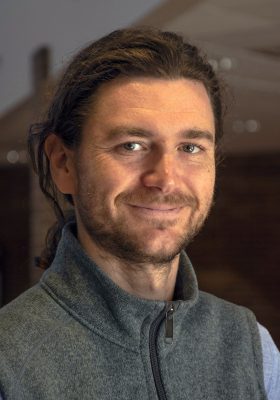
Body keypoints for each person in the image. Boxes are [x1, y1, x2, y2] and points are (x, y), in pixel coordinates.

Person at [0, 28, 279, 400]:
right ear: (64, 163)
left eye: (190, 147)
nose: (165, 178)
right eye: (131, 145)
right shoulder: (8, 359)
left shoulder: (253, 347)